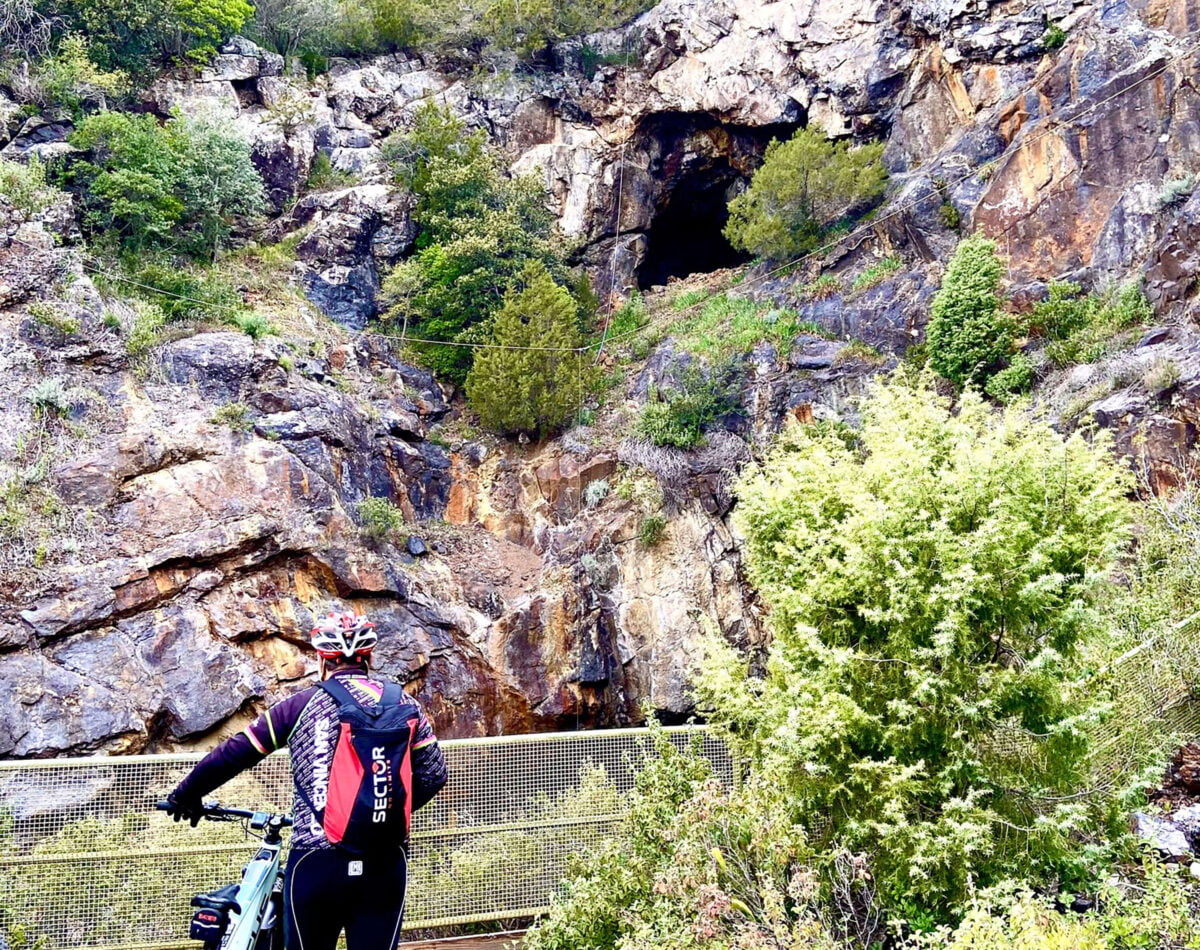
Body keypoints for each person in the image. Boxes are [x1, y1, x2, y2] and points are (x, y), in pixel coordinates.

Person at [166, 610, 447, 950]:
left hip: (316, 860)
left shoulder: (299, 706)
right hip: (384, 860)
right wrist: (379, 807)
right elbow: (433, 774)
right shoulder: (404, 704)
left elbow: (235, 753)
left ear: (321, 658)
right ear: (368, 656)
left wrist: (186, 795)